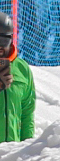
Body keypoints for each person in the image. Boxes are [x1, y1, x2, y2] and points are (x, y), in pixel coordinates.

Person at [0, 12, 36, 143]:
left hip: (11, 155)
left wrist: (27, 147)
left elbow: (27, 113)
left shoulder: (22, 69)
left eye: (3, 40)